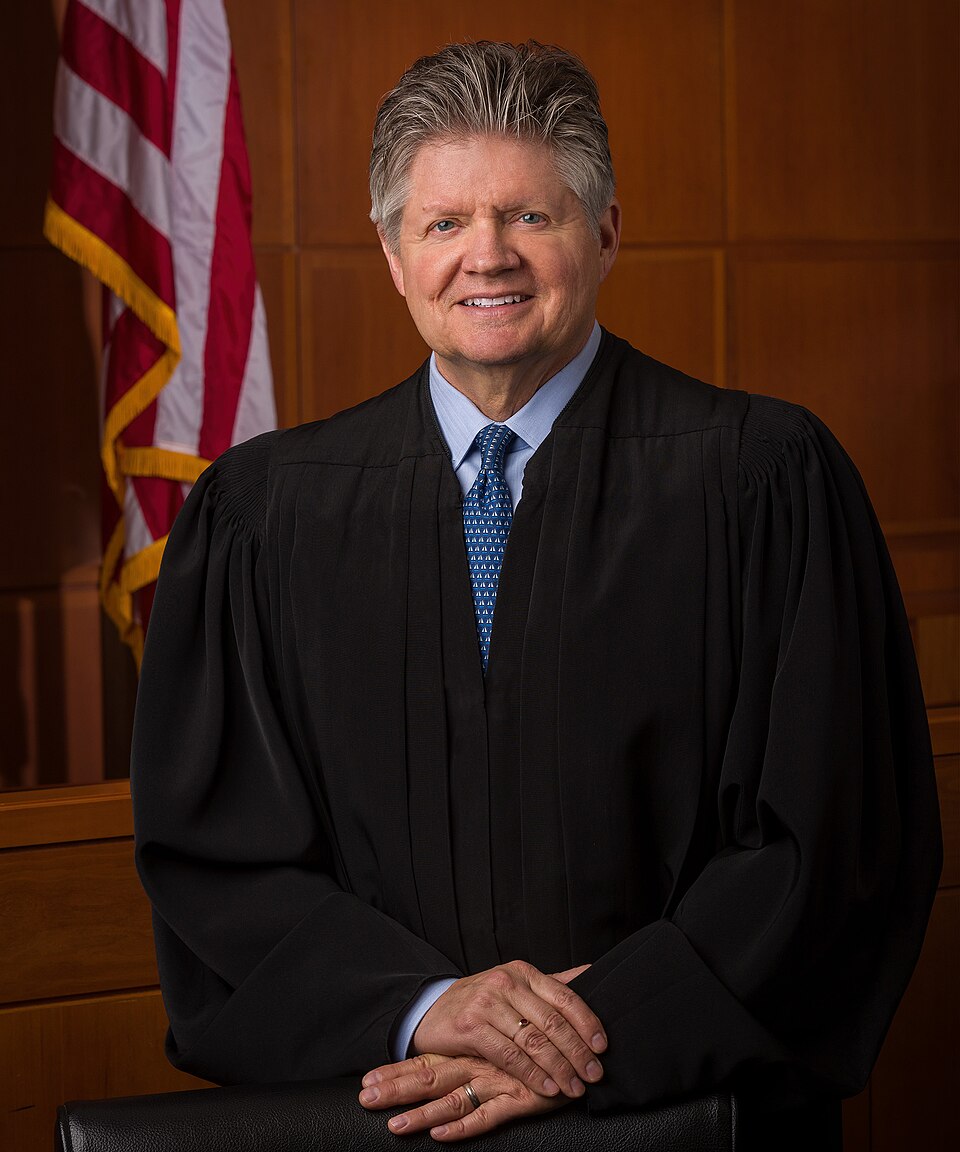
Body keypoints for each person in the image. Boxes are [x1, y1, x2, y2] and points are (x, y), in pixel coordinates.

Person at [131, 41, 942, 1149]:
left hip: (680, 1117)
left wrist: (601, 1034)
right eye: (444, 223)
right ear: (393, 252)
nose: (488, 256)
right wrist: (425, 1009)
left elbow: (830, 838)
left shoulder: (764, 481)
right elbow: (220, 855)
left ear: (605, 232)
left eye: (530, 216)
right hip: (389, 1115)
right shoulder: (265, 516)